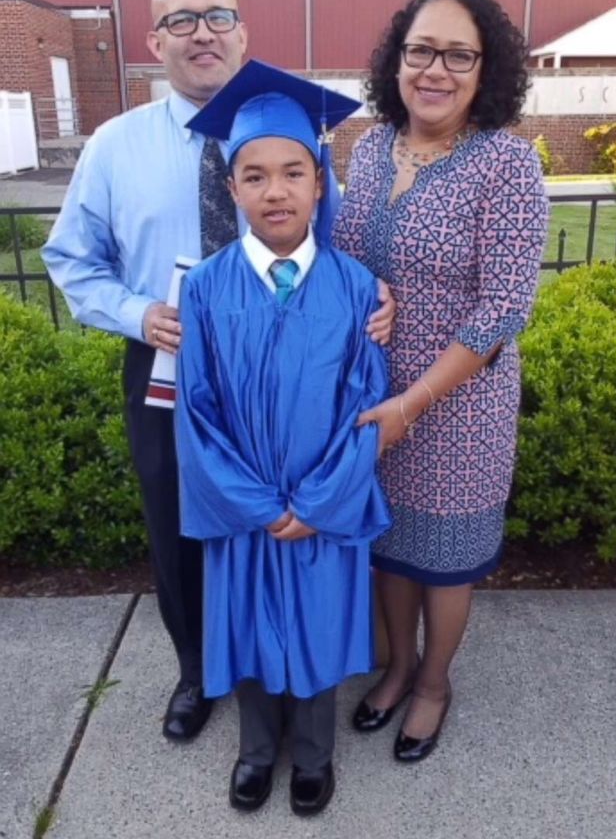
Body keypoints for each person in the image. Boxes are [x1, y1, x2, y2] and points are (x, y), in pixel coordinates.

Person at [42, 0, 395, 743]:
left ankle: (286, 664)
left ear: (242, 32)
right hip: (170, 366)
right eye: (181, 20)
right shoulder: (115, 145)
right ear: (153, 40)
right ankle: (198, 672)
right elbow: (70, 256)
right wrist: (138, 314)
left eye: (218, 16)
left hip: (290, 370)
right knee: (179, 525)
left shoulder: (302, 140)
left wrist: (378, 296)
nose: (202, 32)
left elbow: (331, 243)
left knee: (283, 515)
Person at [332, 0, 549, 762]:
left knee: (445, 560)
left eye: (460, 54)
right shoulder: (369, 147)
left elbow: (501, 311)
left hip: (459, 404)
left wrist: (413, 404)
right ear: (398, 59)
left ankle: (432, 684)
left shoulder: (507, 166)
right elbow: (349, 263)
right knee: (390, 547)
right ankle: (394, 669)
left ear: (485, 69)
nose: (436, 69)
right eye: (422, 49)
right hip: (374, 392)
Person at [174, 60, 391, 815]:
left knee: (318, 631)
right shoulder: (203, 289)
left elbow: (369, 404)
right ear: (232, 188)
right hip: (246, 512)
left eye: (293, 172)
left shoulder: (358, 288)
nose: (276, 190)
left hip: (321, 511)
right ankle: (255, 752)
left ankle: (312, 756)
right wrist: (260, 505)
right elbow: (194, 413)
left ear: (320, 181)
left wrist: (321, 501)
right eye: (255, 174)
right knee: (248, 633)